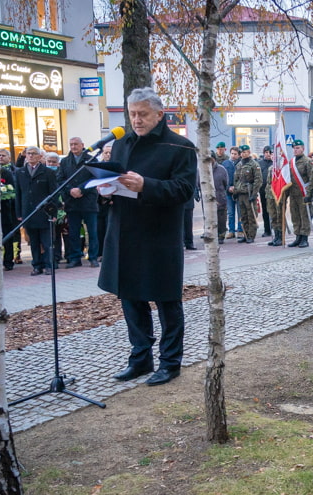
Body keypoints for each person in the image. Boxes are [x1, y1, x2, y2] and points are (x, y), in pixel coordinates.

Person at [98, 87, 196, 387]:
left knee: (167, 301)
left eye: (142, 114)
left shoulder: (181, 146)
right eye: (132, 114)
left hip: (159, 237)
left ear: (159, 114)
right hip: (124, 234)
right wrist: (104, 191)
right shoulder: (121, 145)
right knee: (130, 299)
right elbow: (114, 183)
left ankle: (170, 362)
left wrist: (147, 185)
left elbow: (184, 191)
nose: (136, 120)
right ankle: (140, 358)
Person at [15, 146, 59, 275]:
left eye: (34, 154)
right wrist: (19, 214)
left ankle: (48, 265)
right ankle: (36, 265)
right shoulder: (20, 172)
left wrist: (53, 212)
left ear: (40, 157)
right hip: (28, 212)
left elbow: (54, 194)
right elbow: (18, 194)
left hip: (44, 212)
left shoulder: (48, 172)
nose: (31, 156)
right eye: (28, 154)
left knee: (47, 242)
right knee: (33, 242)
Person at [58, 136, 99, 268]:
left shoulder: (91, 160)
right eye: (71, 144)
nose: (73, 147)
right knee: (74, 232)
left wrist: (81, 189)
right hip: (72, 202)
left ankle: (93, 257)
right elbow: (60, 179)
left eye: (76, 144)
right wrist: (70, 190)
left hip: (88, 201)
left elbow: (96, 178)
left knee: (92, 232)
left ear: (82, 145)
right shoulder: (65, 162)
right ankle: (75, 258)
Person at [285, 139, 312, 248]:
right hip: (293, 193)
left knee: (304, 216)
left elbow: (311, 179)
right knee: (295, 215)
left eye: (297, 148)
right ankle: (298, 237)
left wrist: (309, 195)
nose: (295, 150)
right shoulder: (291, 162)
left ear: (303, 149)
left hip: (303, 194)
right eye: (294, 148)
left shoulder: (307, 162)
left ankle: (304, 238)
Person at [233, 144, 261, 243]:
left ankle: (251, 236)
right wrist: (235, 192)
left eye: (245, 152)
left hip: (249, 193)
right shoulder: (239, 165)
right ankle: (245, 234)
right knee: (243, 216)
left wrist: (254, 194)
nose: (243, 154)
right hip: (240, 193)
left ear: (249, 152)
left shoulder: (254, 164)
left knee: (251, 216)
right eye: (241, 152)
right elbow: (236, 180)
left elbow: (258, 180)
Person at [212, 152, 229, 245]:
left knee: (221, 218)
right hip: (208, 199)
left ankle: (221, 235)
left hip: (220, 197)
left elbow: (226, 182)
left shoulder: (221, 169)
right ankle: (212, 235)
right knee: (210, 217)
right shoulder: (202, 169)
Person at [257, 146, 273, 237]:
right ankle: (267, 230)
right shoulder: (259, 163)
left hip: (274, 191)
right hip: (263, 191)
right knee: (265, 211)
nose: (268, 154)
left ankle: (276, 229)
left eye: (269, 152)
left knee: (274, 211)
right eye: (266, 152)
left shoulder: (275, 163)